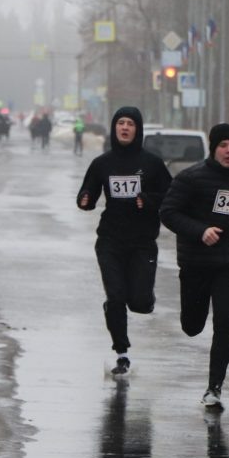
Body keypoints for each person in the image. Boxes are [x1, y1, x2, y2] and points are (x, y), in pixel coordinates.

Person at [160, 123, 229, 408]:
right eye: (223, 145)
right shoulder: (190, 178)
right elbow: (168, 212)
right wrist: (200, 230)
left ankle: (214, 387)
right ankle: (193, 323)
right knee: (192, 325)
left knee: (226, 321)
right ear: (214, 148)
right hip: (195, 262)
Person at [76, 107, 172, 376]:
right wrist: (84, 199)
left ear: (137, 129)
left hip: (142, 242)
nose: (125, 127)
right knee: (116, 296)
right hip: (110, 240)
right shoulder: (102, 163)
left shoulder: (152, 164)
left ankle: (143, 299)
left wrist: (148, 200)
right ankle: (122, 353)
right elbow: (88, 194)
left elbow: (170, 196)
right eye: (120, 123)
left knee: (139, 302)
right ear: (114, 128)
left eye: (130, 123)